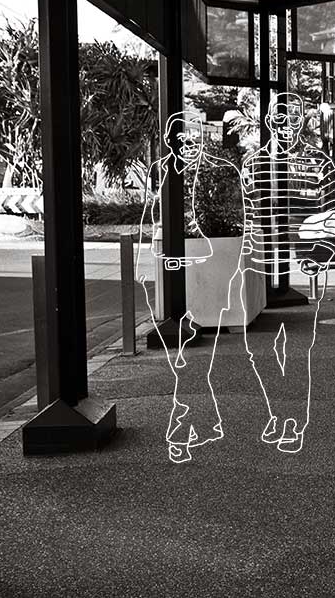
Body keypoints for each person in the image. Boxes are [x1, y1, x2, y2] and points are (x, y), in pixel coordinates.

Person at [236, 92, 335, 454]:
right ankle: (276, 413)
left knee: (298, 349)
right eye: (280, 119)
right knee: (261, 348)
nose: (287, 126)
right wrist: (248, 257)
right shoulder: (253, 164)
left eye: (295, 119)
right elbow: (249, 216)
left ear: (304, 121)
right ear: (268, 120)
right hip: (261, 263)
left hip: (302, 266)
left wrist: (317, 256)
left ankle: (293, 421)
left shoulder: (319, 164)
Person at [136, 111, 237, 464]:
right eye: (181, 141)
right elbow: (150, 224)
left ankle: (197, 425)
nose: (188, 146)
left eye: (193, 139)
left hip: (201, 273)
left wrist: (187, 260)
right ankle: (186, 425)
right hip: (171, 270)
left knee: (200, 365)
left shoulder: (217, 171)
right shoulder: (160, 172)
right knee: (178, 366)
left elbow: (221, 232)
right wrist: (150, 262)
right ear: (170, 142)